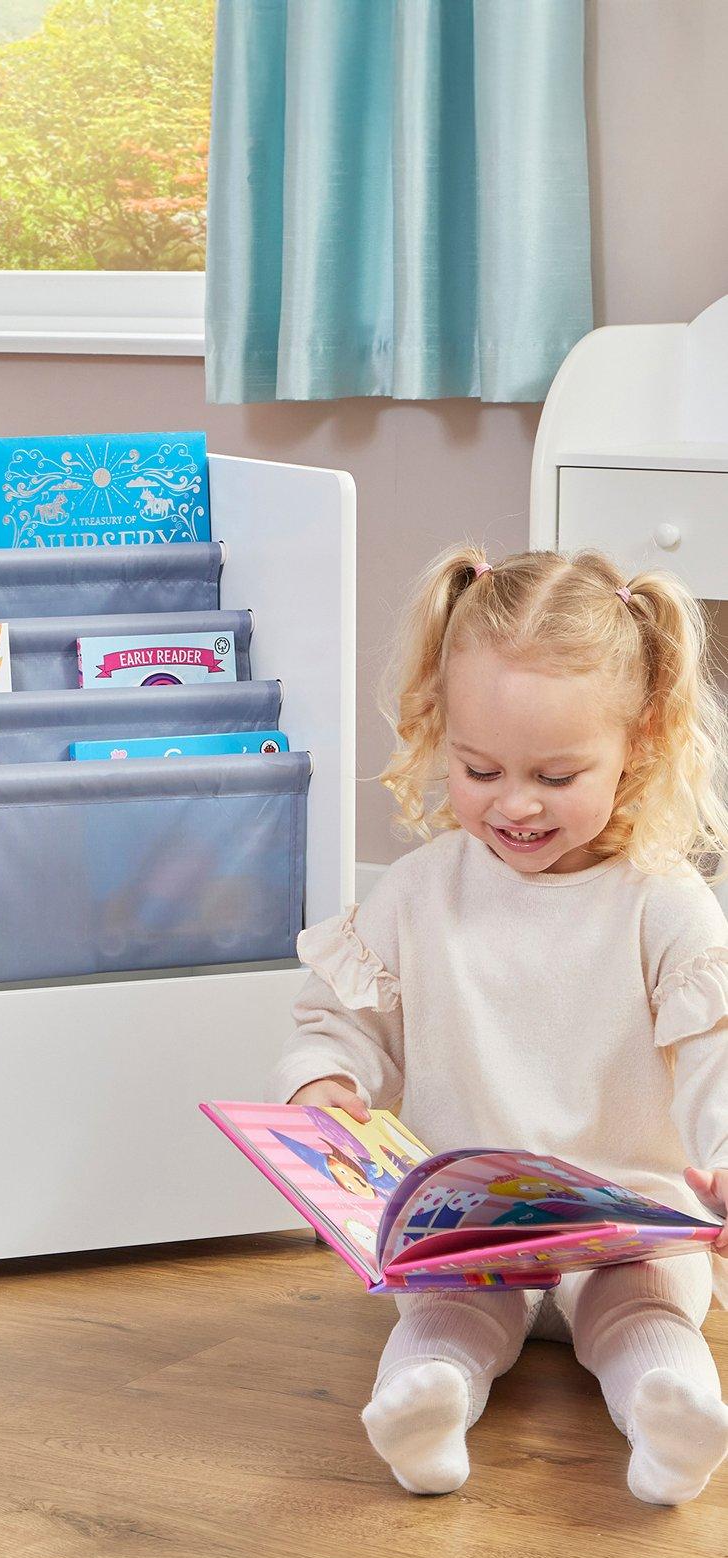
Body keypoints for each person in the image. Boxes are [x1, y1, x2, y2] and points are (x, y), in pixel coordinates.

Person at [269, 547, 728, 1503]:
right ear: (441, 729)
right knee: (443, 1313)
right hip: (470, 1231)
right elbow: (341, 1022)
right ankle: (427, 1406)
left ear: (640, 741)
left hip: (629, 1226)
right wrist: (326, 1083)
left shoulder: (663, 904)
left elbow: (713, 1062)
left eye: (556, 776)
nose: (514, 804)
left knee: (647, 1309)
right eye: (479, 769)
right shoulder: (419, 892)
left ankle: (672, 1421)